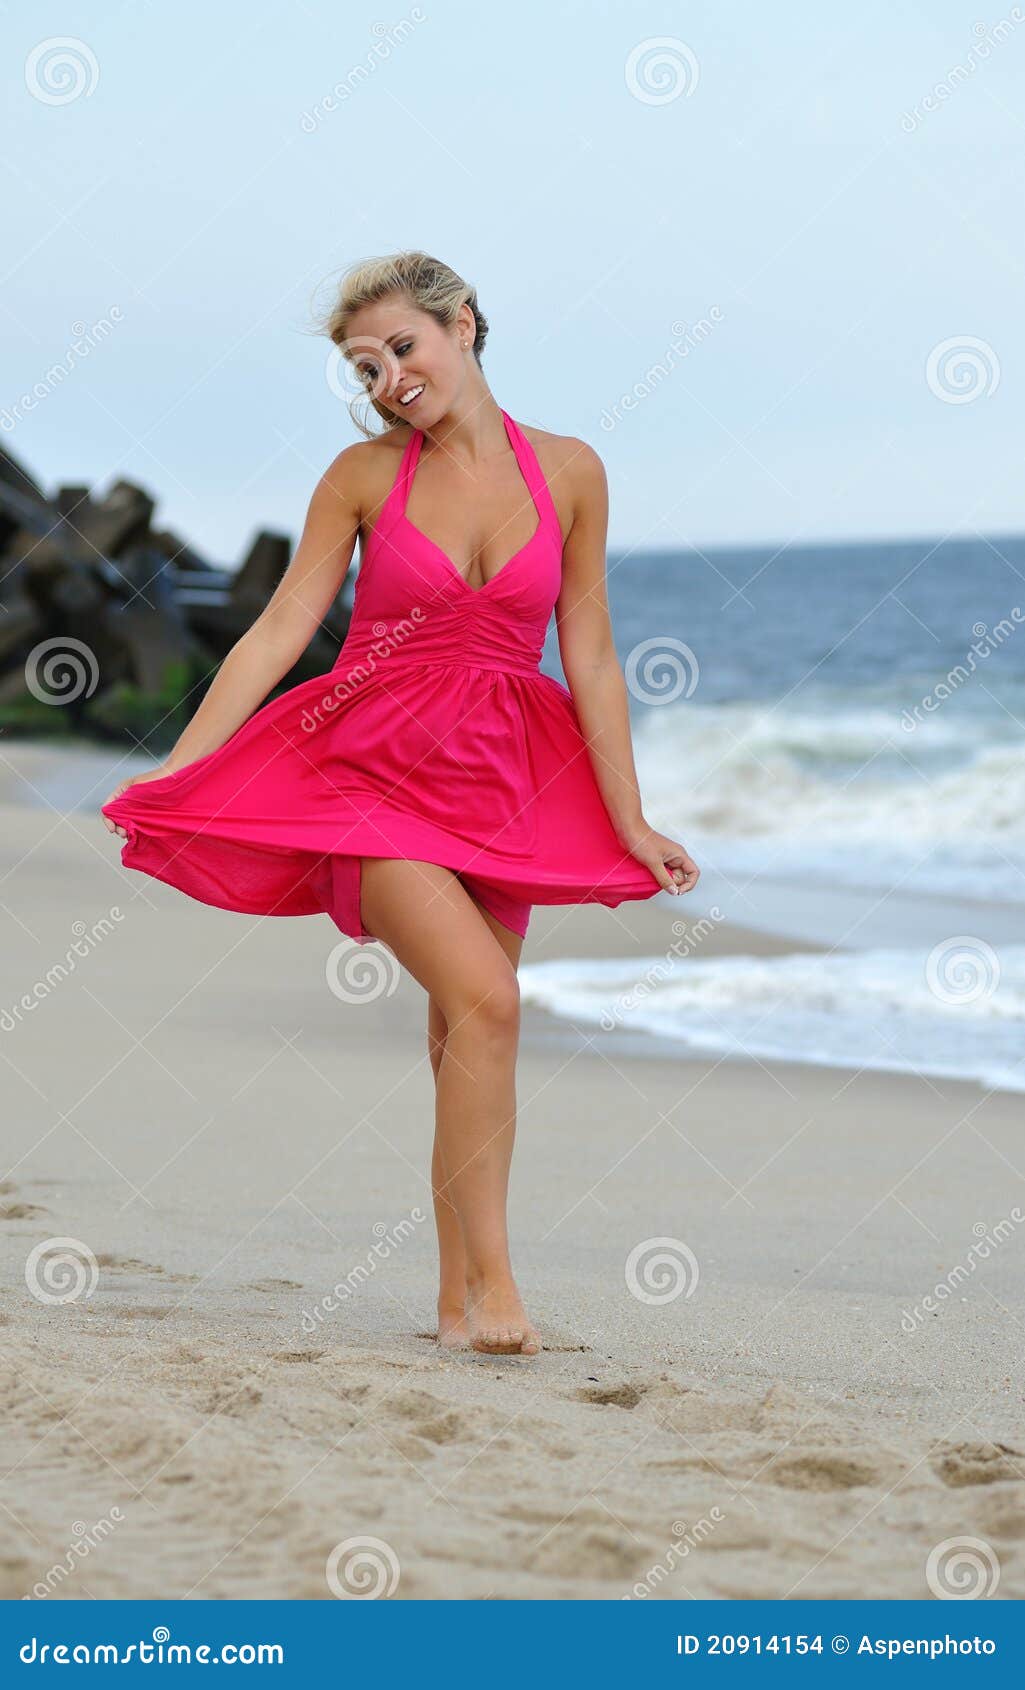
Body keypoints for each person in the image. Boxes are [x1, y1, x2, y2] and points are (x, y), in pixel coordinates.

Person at [101, 250, 700, 1359]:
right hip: (369, 778)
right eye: (362, 366)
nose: (384, 379)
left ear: (462, 324)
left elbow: (594, 653)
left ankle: (450, 1300)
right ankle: (500, 1286)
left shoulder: (570, 470)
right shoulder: (363, 477)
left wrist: (630, 819)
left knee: (459, 1036)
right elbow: (279, 631)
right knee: (492, 1005)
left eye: (399, 349)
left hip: (504, 781)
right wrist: (181, 767)